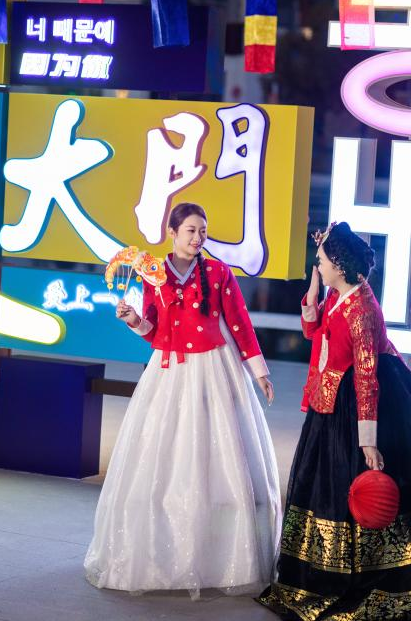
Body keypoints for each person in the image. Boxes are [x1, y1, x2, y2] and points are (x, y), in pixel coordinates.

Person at [257, 222, 411, 620]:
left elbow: (367, 378)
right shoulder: (339, 293)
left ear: (339, 265)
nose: (317, 265)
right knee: (325, 488)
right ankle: (321, 576)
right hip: (332, 400)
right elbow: (316, 333)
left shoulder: (363, 310)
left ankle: (378, 581)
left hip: (359, 407)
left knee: (363, 491)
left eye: (321, 260)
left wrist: (367, 440)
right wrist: (313, 296)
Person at [84, 202, 282, 599]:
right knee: (166, 449)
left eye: (202, 231)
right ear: (172, 232)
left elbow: (239, 322)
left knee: (218, 450)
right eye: (191, 230)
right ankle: (164, 550)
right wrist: (133, 320)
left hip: (214, 366)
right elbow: (154, 330)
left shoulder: (219, 273)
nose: (198, 238)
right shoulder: (153, 273)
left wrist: (258, 371)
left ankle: (217, 551)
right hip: (170, 370)